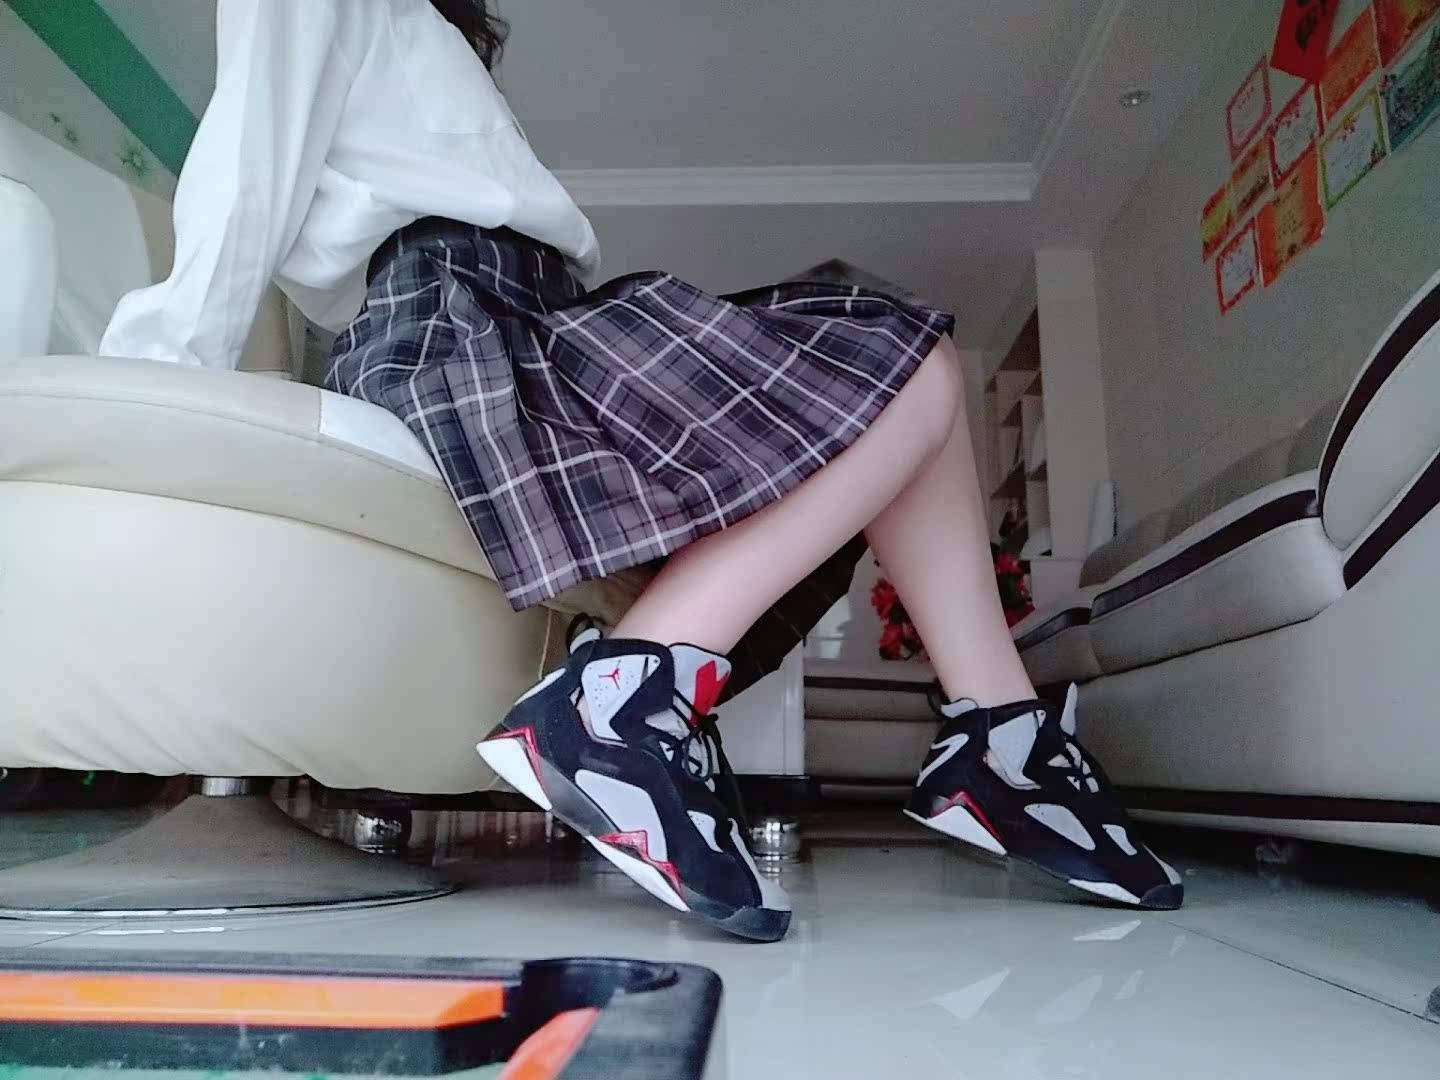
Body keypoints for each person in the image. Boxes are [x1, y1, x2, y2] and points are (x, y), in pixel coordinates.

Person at [101, 0, 1182, 944]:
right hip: (453, 329)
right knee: (894, 364)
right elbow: (244, 170)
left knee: (913, 371)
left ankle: (999, 740)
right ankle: (621, 708)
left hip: (524, 318)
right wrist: (148, 388)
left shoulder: (419, 24)